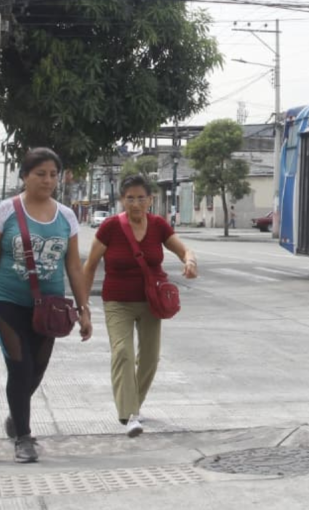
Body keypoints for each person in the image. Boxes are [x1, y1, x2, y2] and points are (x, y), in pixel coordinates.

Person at [0, 148, 93, 464]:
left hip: (50, 308)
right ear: (24, 176)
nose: (48, 180)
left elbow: (74, 266)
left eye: (53, 174)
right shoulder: (6, 210)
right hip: (6, 301)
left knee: (36, 370)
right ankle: (24, 436)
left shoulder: (67, 216)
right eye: (40, 174)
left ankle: (15, 416)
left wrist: (84, 309)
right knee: (20, 367)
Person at [83, 175, 198, 437]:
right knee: (122, 352)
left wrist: (190, 262)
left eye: (141, 198)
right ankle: (130, 415)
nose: (135, 203)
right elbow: (89, 266)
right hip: (117, 302)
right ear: (122, 200)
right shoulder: (110, 227)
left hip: (150, 302)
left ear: (150, 200)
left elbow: (183, 250)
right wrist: (83, 304)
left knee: (149, 358)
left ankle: (135, 404)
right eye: (130, 198)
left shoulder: (158, 226)